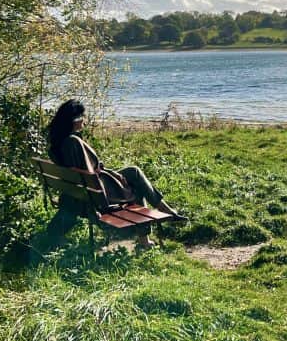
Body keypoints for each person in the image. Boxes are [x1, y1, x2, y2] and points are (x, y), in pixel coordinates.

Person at [44, 99, 184, 249]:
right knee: (136, 185)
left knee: (133, 171)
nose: (84, 119)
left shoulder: (59, 141)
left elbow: (78, 172)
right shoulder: (72, 141)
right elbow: (86, 173)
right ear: (74, 119)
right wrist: (104, 174)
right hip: (97, 191)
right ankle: (152, 228)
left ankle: (161, 210)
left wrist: (111, 173)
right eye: (82, 116)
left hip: (85, 188)